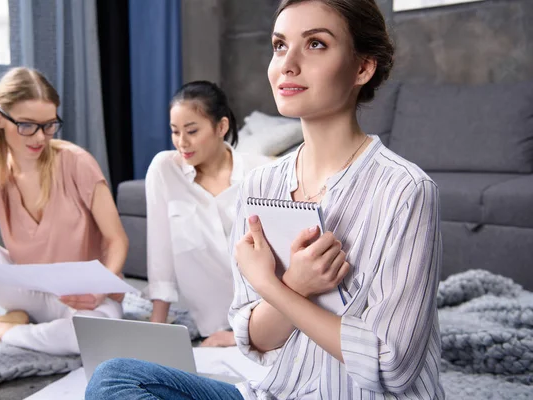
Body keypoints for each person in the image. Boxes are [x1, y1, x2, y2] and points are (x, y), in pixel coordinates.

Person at [85, 0, 444, 399]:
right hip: (276, 392)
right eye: (279, 45)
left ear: (363, 67)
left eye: (316, 45)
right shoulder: (260, 185)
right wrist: (296, 283)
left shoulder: (405, 190)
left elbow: (389, 366)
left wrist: (272, 286)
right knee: (115, 377)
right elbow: (255, 340)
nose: (286, 64)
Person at [0, 67, 129, 356]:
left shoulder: (76, 162)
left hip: (85, 299)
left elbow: (117, 240)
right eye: (27, 125)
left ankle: (4, 330)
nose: (39, 137)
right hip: (30, 293)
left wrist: (100, 289)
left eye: (49, 125)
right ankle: (27, 325)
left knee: (89, 338)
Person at [144, 81, 270, 347]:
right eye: (175, 131)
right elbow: (160, 254)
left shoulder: (260, 174)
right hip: (207, 328)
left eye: (191, 131)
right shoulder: (165, 170)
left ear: (221, 127)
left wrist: (246, 334)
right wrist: (155, 331)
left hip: (264, 321)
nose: (182, 142)